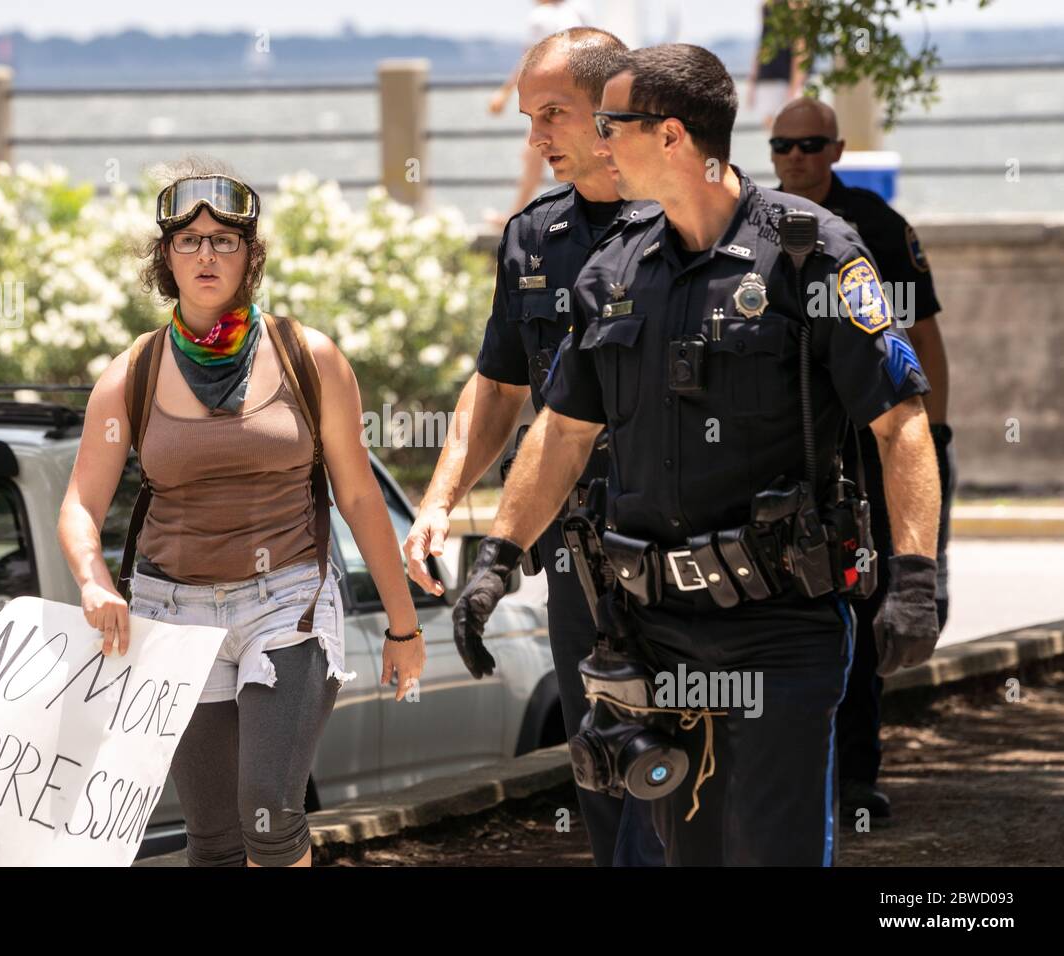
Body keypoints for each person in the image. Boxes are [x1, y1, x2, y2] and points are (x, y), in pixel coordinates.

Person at [452, 43, 941, 865]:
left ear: (672, 134)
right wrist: (497, 558)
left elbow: (901, 424)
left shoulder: (810, 253)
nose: (598, 139)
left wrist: (917, 578)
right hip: (653, 626)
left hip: (780, 623)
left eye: (612, 123)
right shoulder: (615, 267)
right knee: (688, 854)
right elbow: (563, 430)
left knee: (772, 847)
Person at [58, 159, 426, 868]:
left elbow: (357, 497)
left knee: (268, 813)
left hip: (285, 603)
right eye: (189, 240)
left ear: (250, 257)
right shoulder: (131, 373)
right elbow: (80, 502)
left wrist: (403, 626)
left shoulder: (306, 356)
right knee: (215, 838)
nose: (206, 254)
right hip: (172, 612)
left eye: (225, 240)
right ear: (165, 257)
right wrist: (94, 580)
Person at [406, 27, 664, 868]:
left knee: (695, 771)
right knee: (601, 768)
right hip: (576, 555)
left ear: (611, 110)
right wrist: (441, 502)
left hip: (685, 544)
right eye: (529, 117)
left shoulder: (692, 221)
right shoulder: (533, 238)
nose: (536, 138)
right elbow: (497, 385)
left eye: (552, 113)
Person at [770, 96, 954, 825]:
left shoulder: (874, 229)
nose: (796, 157)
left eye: (811, 144)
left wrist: (932, 439)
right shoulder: (753, 226)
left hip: (871, 453)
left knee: (865, 608)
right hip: (789, 457)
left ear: (838, 149)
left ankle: (854, 778)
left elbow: (922, 334)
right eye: (783, 144)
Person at [488, 0, 589, 222]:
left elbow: (529, 60)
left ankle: (514, 216)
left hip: (550, 100)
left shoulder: (541, 16)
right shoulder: (576, 12)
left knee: (535, 155)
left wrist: (504, 94)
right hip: (578, 98)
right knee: (570, 155)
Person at [746, 0, 805, 129]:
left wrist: (795, 85)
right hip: (767, 78)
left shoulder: (796, 5)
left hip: (786, 80)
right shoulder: (765, 6)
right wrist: (752, 82)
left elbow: (800, 46)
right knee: (773, 130)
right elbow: (762, 44)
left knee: (789, 130)